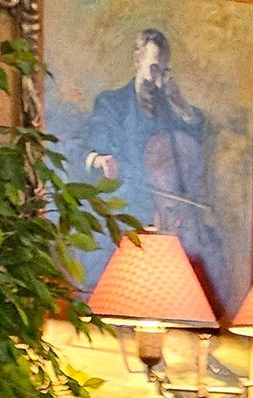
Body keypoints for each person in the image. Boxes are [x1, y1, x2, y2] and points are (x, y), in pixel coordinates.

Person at [81, 29, 228, 303]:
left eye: (162, 71)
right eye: (152, 68)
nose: (156, 78)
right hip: (127, 207)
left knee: (209, 260)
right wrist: (100, 160)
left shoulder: (171, 109)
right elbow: (90, 148)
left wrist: (180, 103)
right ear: (137, 60)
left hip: (168, 212)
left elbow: (195, 136)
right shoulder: (111, 103)